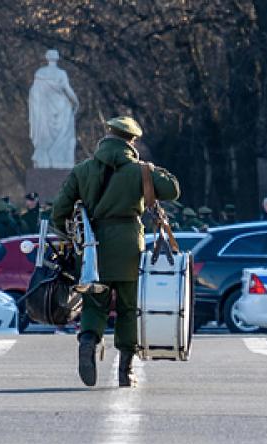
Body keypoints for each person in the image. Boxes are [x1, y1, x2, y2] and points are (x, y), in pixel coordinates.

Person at [52, 115, 180, 388]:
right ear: (131, 141)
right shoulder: (140, 171)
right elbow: (172, 190)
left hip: (91, 249)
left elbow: (58, 213)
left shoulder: (83, 170)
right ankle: (125, 370)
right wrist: (152, 170)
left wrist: (74, 238)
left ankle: (87, 342)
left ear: (107, 136)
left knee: (94, 303)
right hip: (128, 247)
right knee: (128, 308)